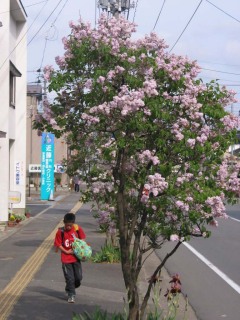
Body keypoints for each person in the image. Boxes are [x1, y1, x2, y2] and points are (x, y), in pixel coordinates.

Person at [54, 212, 86, 303]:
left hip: (76, 258)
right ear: (64, 222)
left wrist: (80, 247)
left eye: (70, 226)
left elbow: (83, 239)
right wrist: (66, 251)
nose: (68, 227)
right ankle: (71, 294)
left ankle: (69, 286)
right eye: (67, 225)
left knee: (78, 278)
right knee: (70, 278)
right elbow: (58, 244)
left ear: (73, 223)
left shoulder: (77, 229)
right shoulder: (60, 232)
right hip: (66, 259)